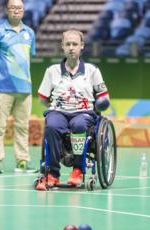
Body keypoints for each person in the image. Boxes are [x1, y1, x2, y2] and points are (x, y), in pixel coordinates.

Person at [35, 29, 111, 191]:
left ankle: (77, 170)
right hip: (59, 111)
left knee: (78, 125)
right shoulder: (52, 71)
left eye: (75, 44)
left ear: (81, 46)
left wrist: (100, 105)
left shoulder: (92, 70)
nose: (71, 48)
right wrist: (55, 106)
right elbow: (43, 97)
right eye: (67, 44)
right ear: (62, 46)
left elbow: (104, 96)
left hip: (83, 113)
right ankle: (53, 174)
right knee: (52, 125)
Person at [0, 0, 37, 174]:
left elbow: (28, 59)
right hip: (3, 87)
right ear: (7, 10)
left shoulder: (29, 33)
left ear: (23, 11)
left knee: (23, 126)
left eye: (20, 8)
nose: (17, 10)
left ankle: (22, 162)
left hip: (25, 88)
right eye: (13, 8)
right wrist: (4, 73)